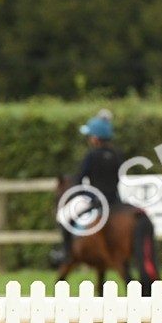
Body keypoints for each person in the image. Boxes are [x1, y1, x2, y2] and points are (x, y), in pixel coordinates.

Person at [55, 110, 125, 266]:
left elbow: (80, 180)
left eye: (90, 136)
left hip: (97, 201)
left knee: (64, 217)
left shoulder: (91, 155)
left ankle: (66, 253)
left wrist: (83, 194)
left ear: (95, 138)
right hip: (115, 201)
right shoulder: (116, 154)